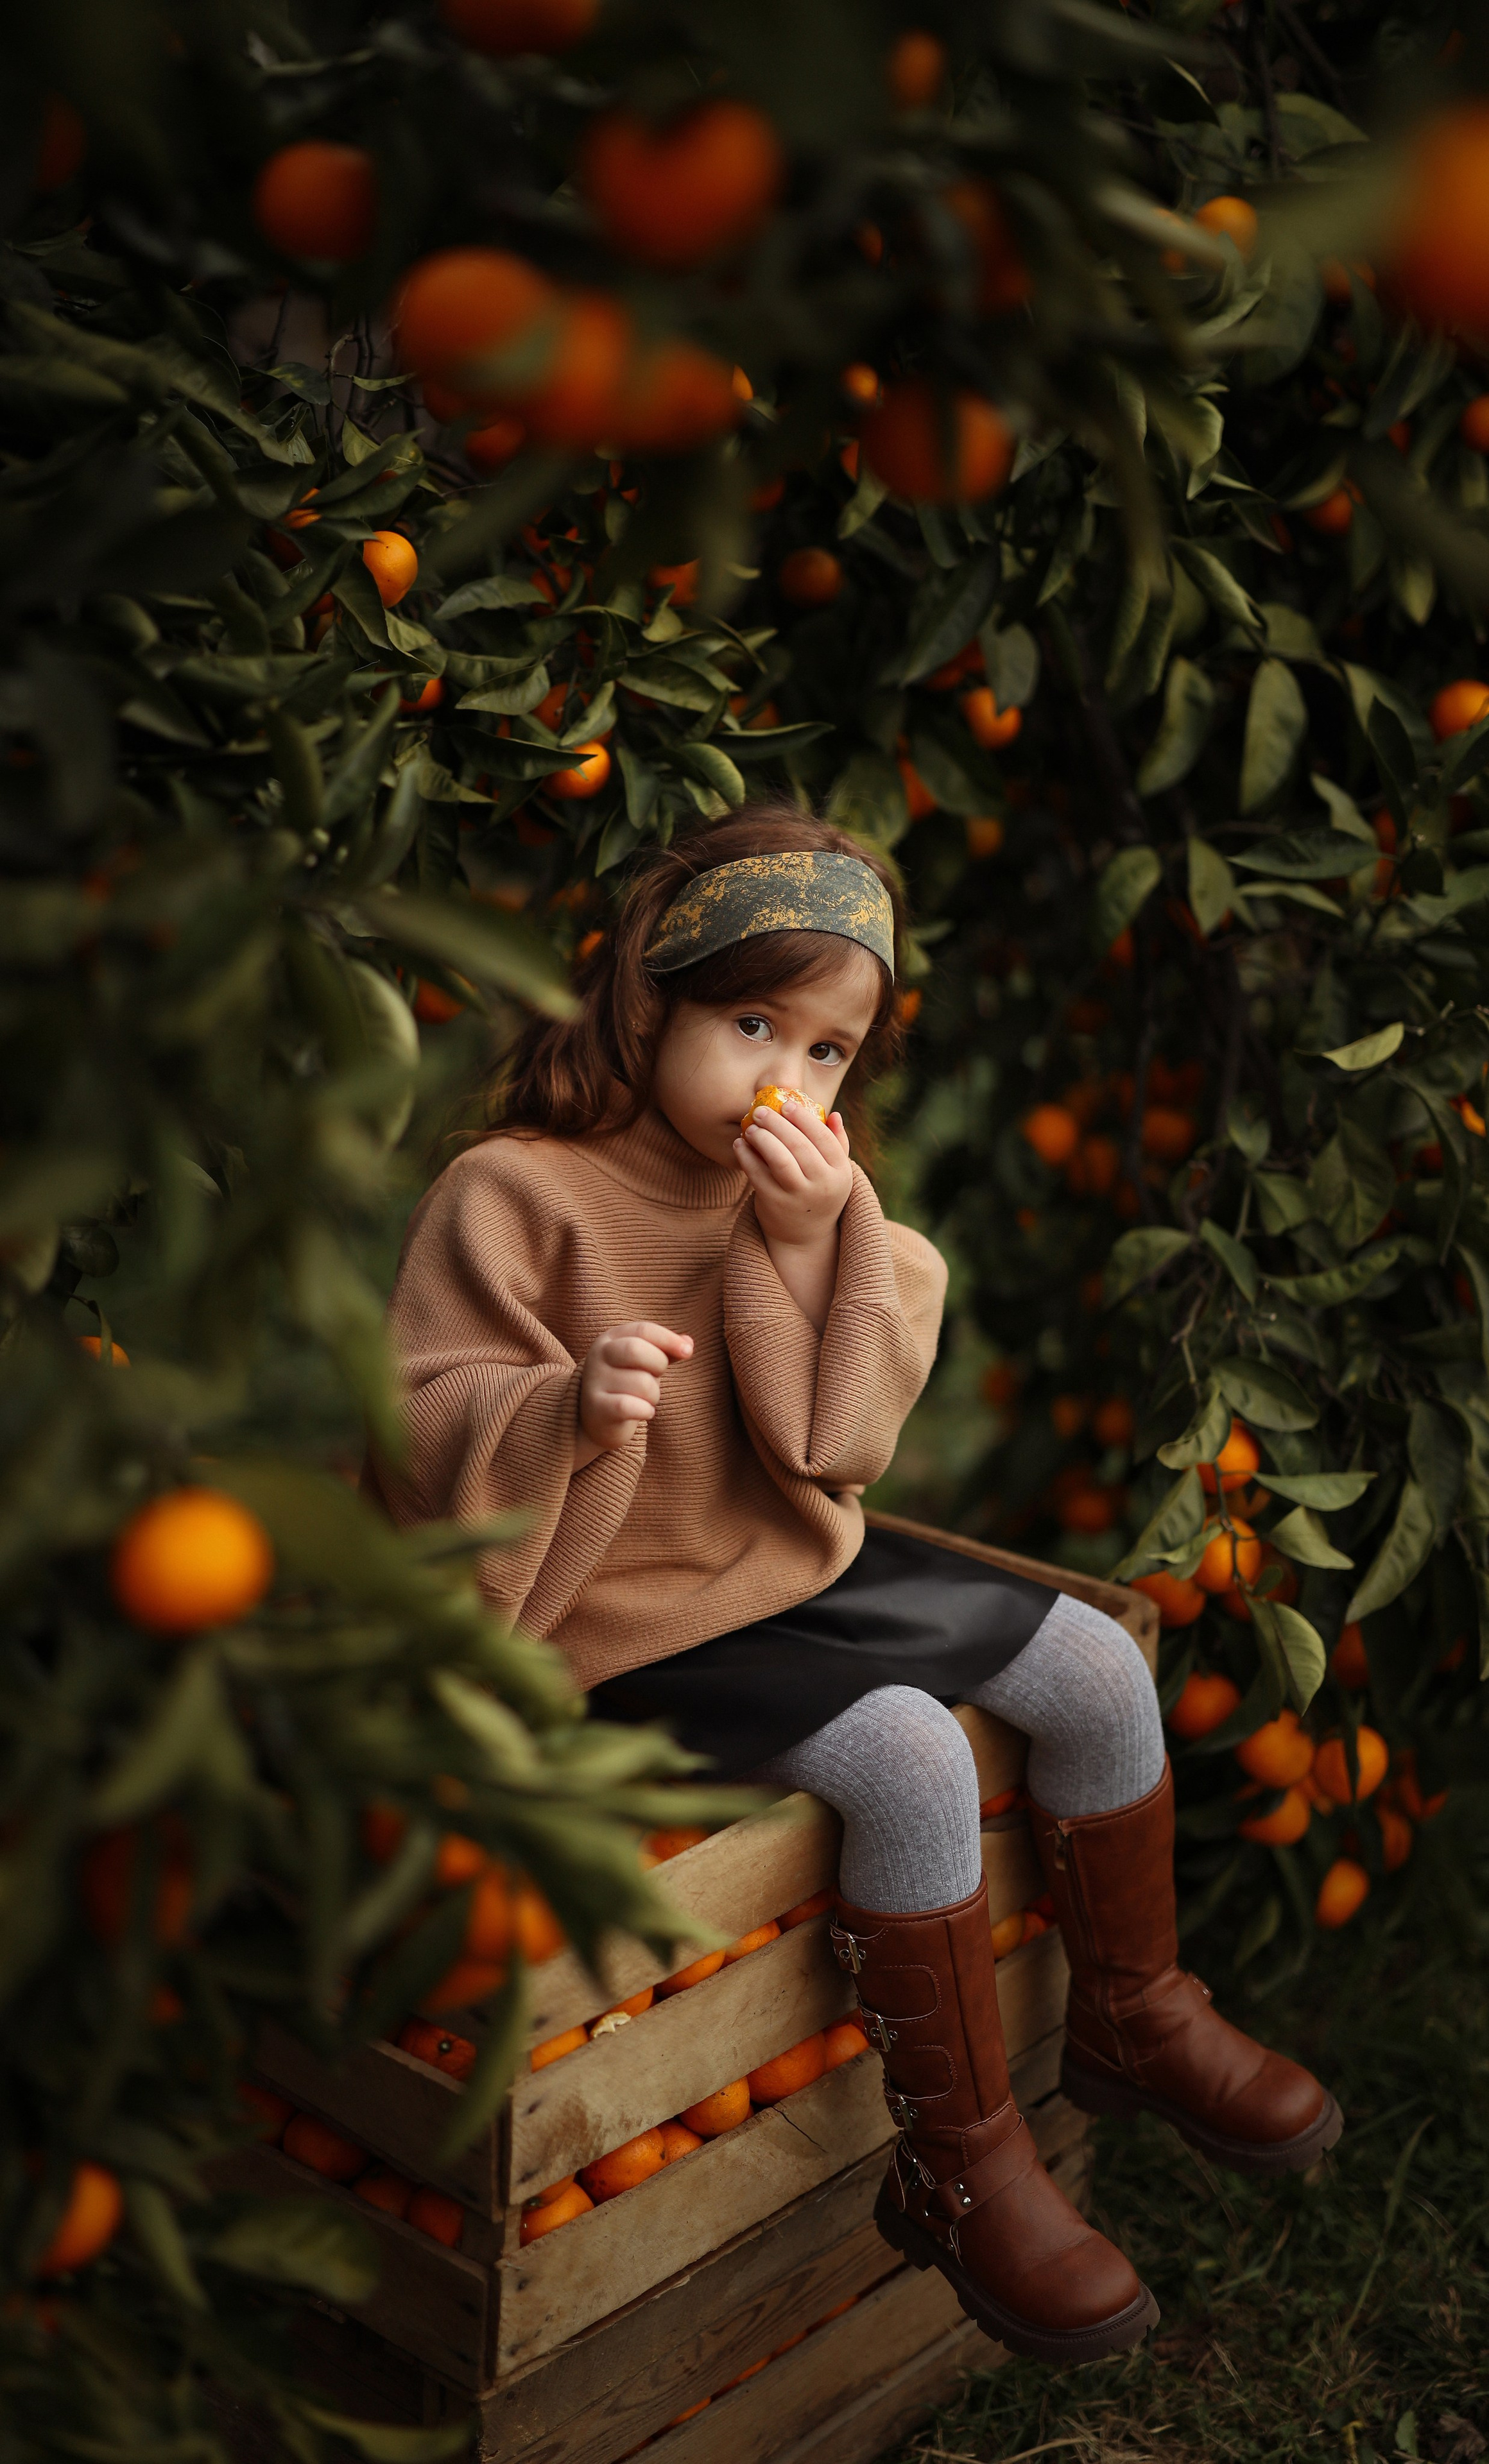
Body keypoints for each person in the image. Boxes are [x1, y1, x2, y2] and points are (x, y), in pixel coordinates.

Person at [375, 803, 1341, 2366]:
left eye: (827, 1052)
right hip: (615, 1621)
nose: (787, 1077)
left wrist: (823, 1241)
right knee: (900, 1749)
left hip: (786, 1560)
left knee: (1096, 1661)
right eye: (753, 1022)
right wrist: (559, 1403)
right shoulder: (514, 1194)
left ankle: (1132, 2009)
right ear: (645, 1002)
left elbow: (838, 1445)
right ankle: (959, 2169)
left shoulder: (802, 1195)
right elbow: (414, 1421)